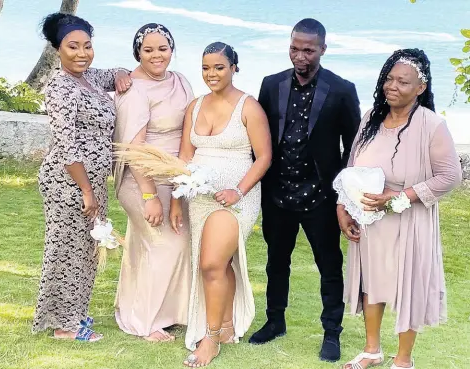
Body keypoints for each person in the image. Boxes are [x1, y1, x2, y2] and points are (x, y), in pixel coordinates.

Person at [340, 49, 462, 369]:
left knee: (410, 288)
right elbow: (352, 166)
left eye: (402, 81)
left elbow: (450, 177)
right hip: (371, 220)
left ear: (420, 88)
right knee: (372, 284)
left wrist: (399, 197)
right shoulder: (371, 118)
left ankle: (403, 359)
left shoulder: (432, 125)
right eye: (389, 78)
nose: (392, 86)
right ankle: (371, 350)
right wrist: (344, 206)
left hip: (411, 220)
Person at [249, 18, 361, 362]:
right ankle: (274, 322)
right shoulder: (270, 85)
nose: (300, 55)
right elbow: (261, 138)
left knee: (329, 265)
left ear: (323, 50)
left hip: (321, 198)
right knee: (275, 262)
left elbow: (353, 149)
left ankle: (332, 333)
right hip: (278, 194)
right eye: (295, 48)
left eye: (308, 50)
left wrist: (343, 195)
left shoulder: (342, 90)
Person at [169, 42, 272, 366]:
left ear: (234, 68)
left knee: (210, 265)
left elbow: (264, 157)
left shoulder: (249, 107)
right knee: (219, 265)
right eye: (205, 68)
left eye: (218, 67)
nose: (211, 74)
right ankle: (225, 326)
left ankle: (210, 339)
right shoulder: (195, 107)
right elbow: (185, 156)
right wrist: (175, 200)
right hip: (198, 197)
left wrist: (238, 191)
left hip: (235, 198)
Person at [32, 12, 131, 341]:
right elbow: (66, 147)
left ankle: (74, 316)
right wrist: (88, 191)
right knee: (68, 250)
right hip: (70, 182)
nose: (81, 53)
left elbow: (118, 73)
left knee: (86, 250)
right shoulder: (60, 88)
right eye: (72, 47)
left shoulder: (88, 78)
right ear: (56, 50)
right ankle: (65, 326)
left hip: (92, 181)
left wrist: (121, 75)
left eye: (87, 46)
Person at [113, 23, 194, 342]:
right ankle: (143, 321)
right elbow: (134, 148)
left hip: (176, 176)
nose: (156, 55)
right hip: (141, 178)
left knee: (156, 245)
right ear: (137, 52)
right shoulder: (134, 89)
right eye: (148, 49)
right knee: (164, 244)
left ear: (172, 50)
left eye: (163, 48)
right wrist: (149, 196)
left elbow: (191, 124)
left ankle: (165, 312)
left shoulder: (181, 80)